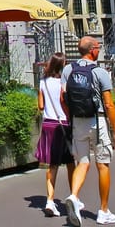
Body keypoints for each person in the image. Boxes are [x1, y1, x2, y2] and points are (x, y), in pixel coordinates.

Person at [64, 36, 115, 227]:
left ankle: (74, 197)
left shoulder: (68, 69)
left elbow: (63, 97)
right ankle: (103, 211)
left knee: (82, 162)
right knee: (103, 165)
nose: (99, 50)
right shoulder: (99, 71)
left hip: (77, 121)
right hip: (97, 121)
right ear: (92, 50)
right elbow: (109, 104)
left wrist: (69, 116)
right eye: (98, 47)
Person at [35, 53, 71, 217]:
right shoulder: (64, 83)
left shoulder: (42, 82)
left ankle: (50, 199)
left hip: (48, 124)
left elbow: (41, 106)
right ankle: (73, 196)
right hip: (63, 124)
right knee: (71, 162)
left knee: (52, 165)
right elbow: (65, 103)